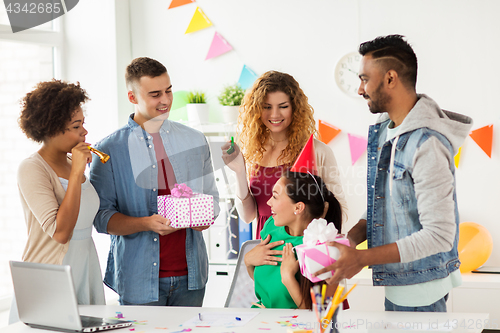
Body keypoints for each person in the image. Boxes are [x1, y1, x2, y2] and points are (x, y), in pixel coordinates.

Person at [314, 35, 473, 312]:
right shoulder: (385, 130)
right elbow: (382, 206)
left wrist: (361, 259)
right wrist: (347, 241)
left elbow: (439, 235)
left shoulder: (428, 144)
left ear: (390, 78)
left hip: (422, 291)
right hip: (398, 286)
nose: (361, 89)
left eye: (365, 78)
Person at [89, 57, 219, 306]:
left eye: (169, 91)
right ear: (132, 97)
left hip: (191, 278)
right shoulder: (108, 150)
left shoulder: (195, 140)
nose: (166, 100)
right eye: (155, 94)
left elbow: (212, 199)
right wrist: (146, 223)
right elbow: (102, 218)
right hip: (138, 280)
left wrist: (204, 217)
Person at [12, 80, 105, 323]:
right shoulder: (32, 168)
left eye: (83, 123)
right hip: (50, 278)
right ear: (51, 128)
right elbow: (61, 233)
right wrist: (76, 173)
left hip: (84, 270)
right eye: (76, 126)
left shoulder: (73, 162)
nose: (84, 132)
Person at [221, 70, 348, 240]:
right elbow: (248, 216)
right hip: (265, 246)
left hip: (300, 246)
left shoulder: (318, 151)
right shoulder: (252, 150)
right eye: (267, 107)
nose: (274, 115)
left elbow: (337, 209)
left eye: (283, 106)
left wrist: (310, 244)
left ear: (295, 108)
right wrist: (239, 172)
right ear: (257, 110)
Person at [245, 171, 342, 309]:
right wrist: (248, 261)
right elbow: (264, 281)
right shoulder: (271, 226)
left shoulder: (322, 248)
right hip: (261, 319)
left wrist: (288, 278)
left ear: (298, 207)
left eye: (275, 196)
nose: (268, 202)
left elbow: (318, 316)